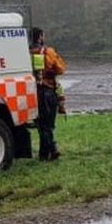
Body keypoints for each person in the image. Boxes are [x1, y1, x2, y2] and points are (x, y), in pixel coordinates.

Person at [30, 27, 66, 161]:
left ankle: (43, 154)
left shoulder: (26, 53)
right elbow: (61, 68)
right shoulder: (48, 52)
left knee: (40, 124)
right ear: (40, 37)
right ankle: (52, 149)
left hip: (32, 92)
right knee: (48, 125)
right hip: (48, 91)